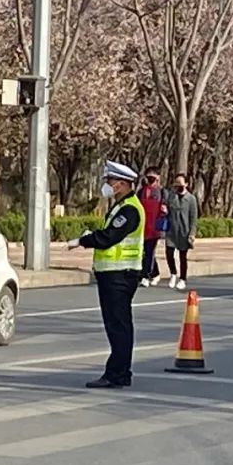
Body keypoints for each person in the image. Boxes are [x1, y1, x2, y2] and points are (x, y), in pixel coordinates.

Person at [68, 160, 145, 389]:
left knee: (118, 325)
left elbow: (109, 237)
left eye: (110, 181)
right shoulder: (122, 206)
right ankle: (118, 372)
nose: (107, 185)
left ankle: (118, 374)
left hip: (120, 275)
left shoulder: (130, 209)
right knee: (116, 325)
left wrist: (83, 241)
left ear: (121, 184)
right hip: (114, 275)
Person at [165, 173, 198, 290]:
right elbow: (167, 209)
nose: (178, 186)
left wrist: (192, 233)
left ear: (186, 184)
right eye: (176, 183)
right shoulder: (171, 196)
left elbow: (193, 218)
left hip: (184, 232)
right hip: (171, 231)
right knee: (169, 253)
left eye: (180, 183)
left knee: (182, 256)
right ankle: (173, 273)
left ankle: (182, 278)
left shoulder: (191, 199)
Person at [137, 168, 166, 287]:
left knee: (149, 252)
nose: (151, 181)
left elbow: (165, 210)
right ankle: (155, 273)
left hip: (154, 228)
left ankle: (145, 275)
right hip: (142, 228)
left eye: (153, 178)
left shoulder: (162, 193)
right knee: (142, 252)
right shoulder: (141, 192)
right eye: (148, 178)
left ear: (158, 179)